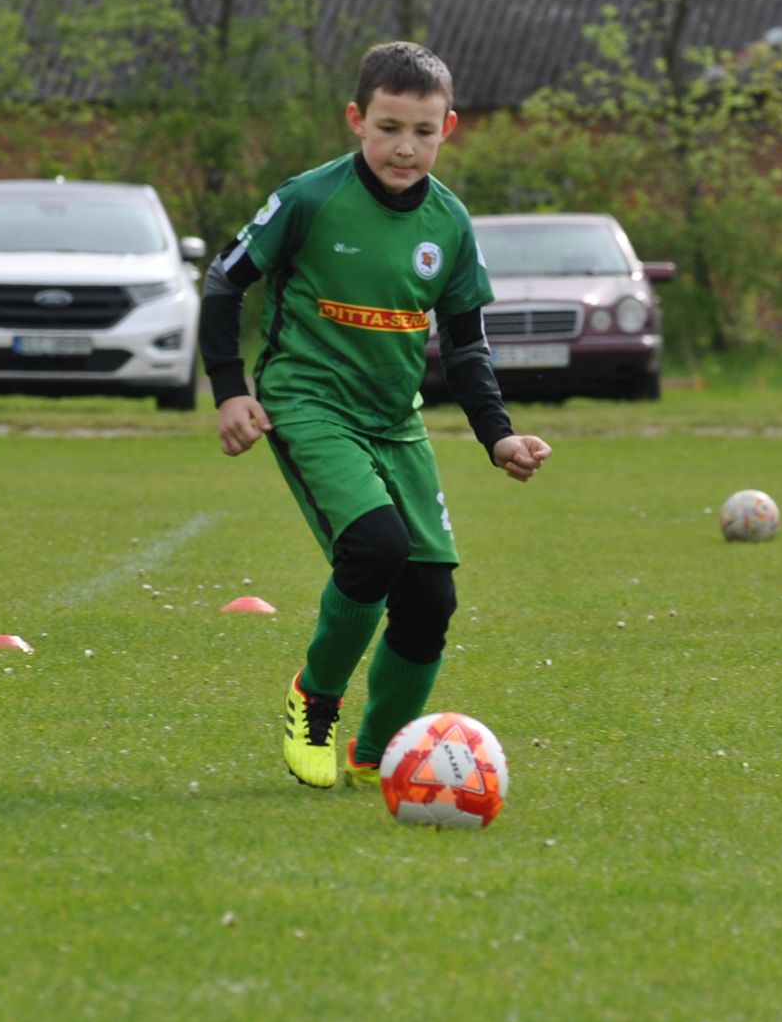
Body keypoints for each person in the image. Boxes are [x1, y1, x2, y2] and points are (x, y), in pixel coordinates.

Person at [198, 40, 552, 791]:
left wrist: (499, 435)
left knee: (431, 598)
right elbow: (224, 284)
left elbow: (466, 345)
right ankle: (314, 700)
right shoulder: (310, 198)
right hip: (308, 400)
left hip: (397, 421)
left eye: (422, 132)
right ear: (357, 119)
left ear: (448, 128)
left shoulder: (450, 224)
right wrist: (231, 389)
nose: (404, 147)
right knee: (375, 548)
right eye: (389, 127)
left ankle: (380, 751)